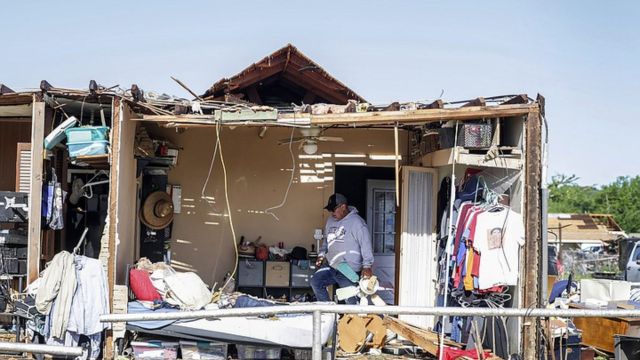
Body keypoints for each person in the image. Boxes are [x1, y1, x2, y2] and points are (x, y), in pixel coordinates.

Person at [310, 193, 374, 304]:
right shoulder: (330, 221)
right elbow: (327, 240)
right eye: (330, 210)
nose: (331, 213)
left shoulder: (357, 223)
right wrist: (321, 254)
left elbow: (366, 245)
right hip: (332, 265)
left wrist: (367, 265)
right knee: (316, 281)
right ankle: (328, 312)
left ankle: (356, 320)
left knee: (351, 300)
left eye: (333, 210)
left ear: (343, 207)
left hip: (348, 269)